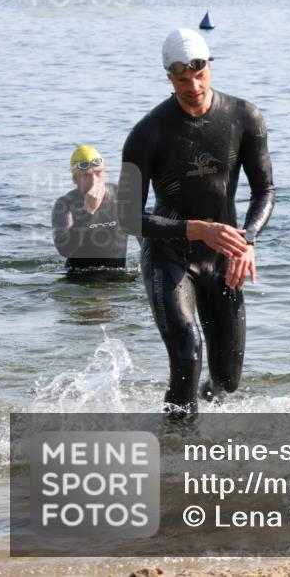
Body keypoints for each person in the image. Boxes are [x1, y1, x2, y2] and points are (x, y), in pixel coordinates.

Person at [117, 28, 275, 418]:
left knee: (227, 381)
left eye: (199, 75)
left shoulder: (244, 117)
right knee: (188, 352)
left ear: (210, 66)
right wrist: (196, 228)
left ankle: (191, 425)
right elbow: (128, 217)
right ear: (169, 77)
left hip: (222, 256)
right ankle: (179, 446)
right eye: (182, 79)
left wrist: (248, 241)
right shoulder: (148, 133)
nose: (193, 87)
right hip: (168, 255)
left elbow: (265, 191)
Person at [52, 145, 128, 271]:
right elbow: (64, 250)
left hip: (118, 277)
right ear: (75, 179)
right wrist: (87, 211)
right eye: (86, 175)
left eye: (98, 173)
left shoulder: (121, 196)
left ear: (104, 172)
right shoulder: (64, 204)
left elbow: (144, 238)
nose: (94, 181)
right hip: (78, 278)